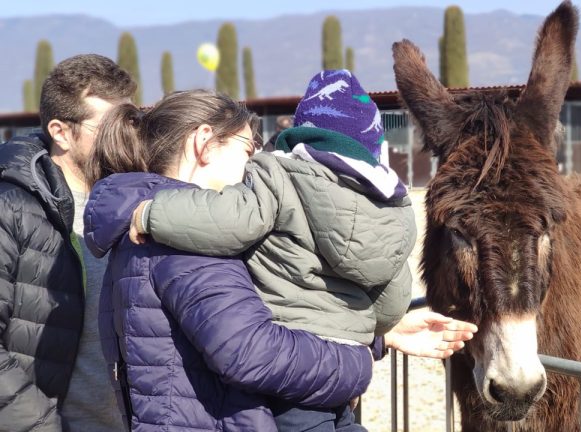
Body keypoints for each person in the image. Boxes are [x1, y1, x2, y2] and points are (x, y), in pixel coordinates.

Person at [83, 89, 476, 431]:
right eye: (246, 150)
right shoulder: (186, 239)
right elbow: (251, 351)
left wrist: (380, 335)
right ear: (203, 143)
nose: (252, 166)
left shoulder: (151, 225)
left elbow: (245, 318)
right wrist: (356, 359)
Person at [0, 54, 135, 431]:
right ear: (60, 131)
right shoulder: (12, 207)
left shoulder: (135, 203)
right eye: (109, 127)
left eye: (129, 123)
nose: (123, 137)